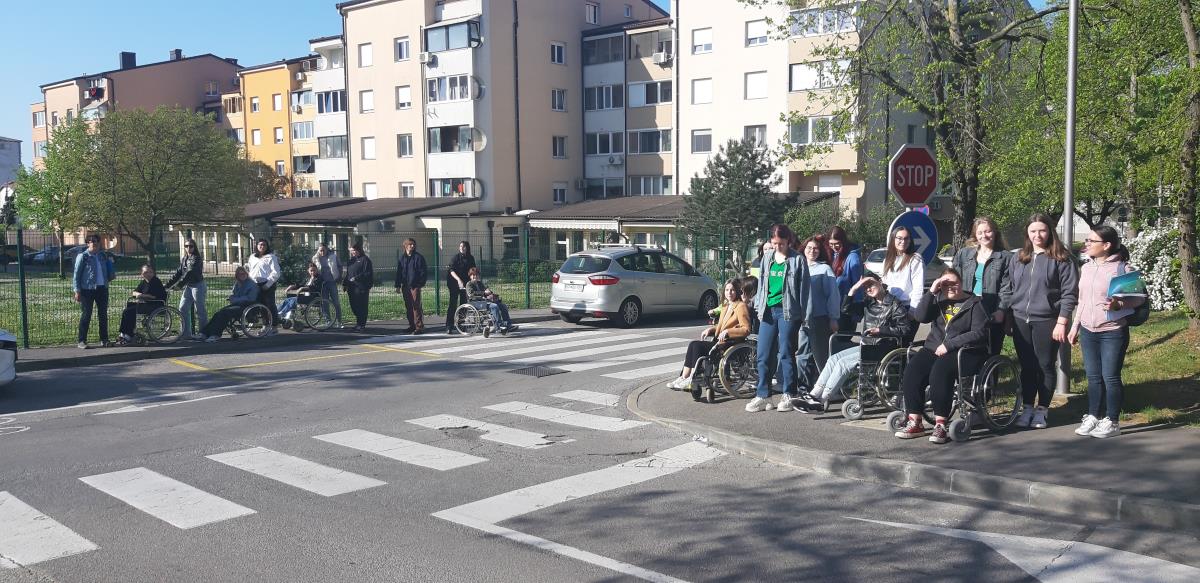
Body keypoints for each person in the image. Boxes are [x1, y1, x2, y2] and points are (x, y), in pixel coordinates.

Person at [895, 268, 989, 443]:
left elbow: (979, 333)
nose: (950, 287)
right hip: (934, 348)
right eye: (945, 284)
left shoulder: (974, 304)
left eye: (954, 283)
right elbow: (920, 316)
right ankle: (915, 421)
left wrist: (949, 344)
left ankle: (940, 425)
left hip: (964, 351)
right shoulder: (938, 299)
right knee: (913, 371)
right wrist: (931, 292)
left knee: (940, 372)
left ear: (961, 283)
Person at [797, 276, 914, 413]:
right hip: (867, 346)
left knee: (843, 364)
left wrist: (881, 330)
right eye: (865, 287)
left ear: (880, 282)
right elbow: (846, 309)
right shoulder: (869, 303)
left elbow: (905, 329)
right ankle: (814, 395)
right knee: (834, 358)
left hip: (883, 347)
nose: (868, 289)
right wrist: (853, 289)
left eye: (871, 284)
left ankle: (821, 401)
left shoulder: (895, 304)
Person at [1068, 226, 1141, 439]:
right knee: (1093, 377)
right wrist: (1075, 326)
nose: (1087, 244)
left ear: (1106, 245)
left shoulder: (1122, 268)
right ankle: (1093, 416)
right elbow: (1082, 300)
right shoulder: (1086, 268)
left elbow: (1138, 299)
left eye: (1092, 241)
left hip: (1113, 331)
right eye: (1087, 240)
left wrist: (1119, 304)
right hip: (1088, 330)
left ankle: (1112, 420)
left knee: (1110, 376)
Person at [1009, 213, 1079, 429]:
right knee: (1027, 366)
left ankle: (1042, 410)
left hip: (1048, 320)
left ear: (1050, 232)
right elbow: (1011, 287)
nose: (1037, 235)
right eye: (1033, 231)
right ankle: (1027, 407)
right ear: (1027, 233)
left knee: (1045, 365)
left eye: (1042, 230)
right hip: (1020, 318)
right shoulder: (1019, 257)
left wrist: (1062, 321)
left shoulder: (1062, 258)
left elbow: (1069, 293)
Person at [747, 224, 810, 413]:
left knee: (786, 353)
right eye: (774, 243)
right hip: (768, 311)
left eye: (781, 243)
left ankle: (789, 393)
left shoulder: (798, 260)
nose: (777, 247)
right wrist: (758, 306)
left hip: (788, 312)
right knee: (763, 354)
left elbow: (805, 290)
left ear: (788, 241)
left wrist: (805, 316)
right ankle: (763, 395)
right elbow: (762, 285)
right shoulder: (767, 258)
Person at [667, 279, 751, 394]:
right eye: (727, 290)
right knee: (693, 344)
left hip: (730, 343)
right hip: (720, 341)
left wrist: (729, 332)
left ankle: (692, 378)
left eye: (732, 290)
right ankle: (684, 377)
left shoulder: (741, 306)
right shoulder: (726, 306)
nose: (729, 293)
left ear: (737, 291)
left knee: (697, 346)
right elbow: (721, 326)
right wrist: (711, 329)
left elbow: (746, 329)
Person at [952, 217, 1011, 356]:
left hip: (990, 312)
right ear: (975, 235)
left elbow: (1007, 288)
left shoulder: (1006, 257)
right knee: (964, 352)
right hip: (967, 311)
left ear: (995, 232)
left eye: (988, 231)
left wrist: (1001, 310)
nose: (984, 235)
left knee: (990, 353)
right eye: (980, 232)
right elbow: (954, 280)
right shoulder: (964, 254)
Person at [799, 235, 841, 383]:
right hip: (800, 319)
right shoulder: (798, 267)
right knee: (802, 354)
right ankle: (803, 385)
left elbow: (833, 295)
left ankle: (826, 385)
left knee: (821, 355)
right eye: (809, 247)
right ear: (804, 249)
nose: (812, 251)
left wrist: (834, 317)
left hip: (819, 318)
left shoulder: (824, 269)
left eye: (816, 248)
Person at [72, 234, 116, 349]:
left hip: (102, 288)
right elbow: (76, 275)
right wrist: (77, 291)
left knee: (103, 315)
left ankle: (104, 339)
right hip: (87, 290)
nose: (94, 243)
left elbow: (107, 270)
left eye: (96, 241)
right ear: (87, 243)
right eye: (91, 241)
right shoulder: (83, 256)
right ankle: (82, 341)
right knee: (86, 315)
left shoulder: (102, 256)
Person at [201, 266, 259, 342]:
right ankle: (204, 333)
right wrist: (232, 297)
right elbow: (234, 294)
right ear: (237, 275)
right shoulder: (237, 284)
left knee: (225, 313)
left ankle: (215, 334)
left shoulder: (252, 284)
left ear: (247, 274)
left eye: (243, 273)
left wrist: (235, 300)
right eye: (240, 274)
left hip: (247, 306)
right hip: (237, 304)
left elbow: (251, 298)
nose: (242, 275)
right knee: (218, 313)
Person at [164, 238, 207, 341]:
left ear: (194, 247)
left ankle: (204, 333)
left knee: (200, 310)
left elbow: (190, 273)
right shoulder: (185, 258)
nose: (188, 248)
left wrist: (180, 285)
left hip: (198, 286)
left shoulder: (196, 259)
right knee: (182, 308)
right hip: (189, 286)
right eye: (186, 246)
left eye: (191, 246)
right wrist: (167, 286)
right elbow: (178, 273)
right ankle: (185, 333)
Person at [880, 226, 925, 317]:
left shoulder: (915, 259)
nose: (903, 241)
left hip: (907, 307)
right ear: (893, 239)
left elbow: (918, 288)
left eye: (906, 238)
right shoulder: (887, 260)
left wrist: (913, 311)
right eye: (899, 238)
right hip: (890, 307)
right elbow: (885, 284)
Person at [116, 265, 167, 345]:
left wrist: (143, 296)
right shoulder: (144, 282)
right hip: (146, 304)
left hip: (156, 305)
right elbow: (134, 292)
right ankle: (124, 333)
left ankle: (128, 335)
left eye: (150, 272)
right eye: (146, 272)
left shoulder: (156, 282)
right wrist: (139, 294)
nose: (148, 274)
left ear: (153, 273)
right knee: (129, 306)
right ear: (142, 274)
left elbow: (155, 296)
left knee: (128, 311)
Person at [828, 226, 863, 332]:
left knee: (841, 339)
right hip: (830, 309)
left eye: (837, 243)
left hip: (845, 310)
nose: (834, 247)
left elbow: (858, 286)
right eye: (831, 244)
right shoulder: (831, 255)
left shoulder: (853, 259)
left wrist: (856, 313)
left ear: (843, 241)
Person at [465, 267, 516, 333]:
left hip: (484, 302)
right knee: (494, 306)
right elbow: (471, 294)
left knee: (503, 306)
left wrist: (489, 291)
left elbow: (486, 290)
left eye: (476, 275)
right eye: (473, 275)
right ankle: (499, 326)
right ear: (470, 276)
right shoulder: (469, 284)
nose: (475, 276)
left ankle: (508, 325)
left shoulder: (480, 283)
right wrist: (484, 293)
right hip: (476, 302)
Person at [248, 239, 281, 336]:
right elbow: (250, 270)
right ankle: (265, 325)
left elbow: (276, 272)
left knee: (269, 305)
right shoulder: (252, 257)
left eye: (264, 245)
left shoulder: (271, 257)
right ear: (257, 246)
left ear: (267, 247)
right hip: (254, 284)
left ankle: (274, 327)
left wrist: (268, 285)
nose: (262, 246)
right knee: (260, 306)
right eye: (260, 244)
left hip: (267, 284)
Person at [395, 238, 428, 334]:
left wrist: (420, 284)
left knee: (416, 307)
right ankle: (412, 325)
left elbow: (423, 272)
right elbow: (399, 273)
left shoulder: (418, 257)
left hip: (415, 286)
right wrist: (397, 285)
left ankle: (419, 327)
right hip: (405, 286)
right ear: (405, 245)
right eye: (410, 244)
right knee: (408, 306)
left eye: (413, 244)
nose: (412, 246)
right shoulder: (402, 258)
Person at [277, 262, 322, 329]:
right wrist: (293, 286)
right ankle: (276, 311)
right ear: (308, 271)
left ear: (317, 270)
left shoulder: (318, 278)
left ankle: (282, 313)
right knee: (288, 299)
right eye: (311, 271)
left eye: (314, 270)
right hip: (306, 295)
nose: (312, 272)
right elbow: (301, 285)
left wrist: (303, 288)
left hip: (313, 296)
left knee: (294, 299)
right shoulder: (308, 278)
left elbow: (315, 288)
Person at [445, 241, 476, 334]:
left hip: (465, 284)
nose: (462, 248)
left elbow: (472, 270)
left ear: (467, 248)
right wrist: (458, 280)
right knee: (453, 304)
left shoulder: (470, 258)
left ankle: (461, 324)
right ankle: (449, 325)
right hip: (454, 283)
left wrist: (473, 280)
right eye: (461, 246)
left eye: (464, 246)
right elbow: (451, 270)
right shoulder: (455, 258)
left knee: (463, 304)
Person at [344, 242, 374, 331]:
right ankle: (358, 323)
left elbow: (367, 273)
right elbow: (348, 274)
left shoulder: (365, 260)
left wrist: (356, 278)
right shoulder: (351, 261)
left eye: (354, 250)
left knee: (362, 306)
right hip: (351, 288)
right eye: (351, 250)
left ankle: (361, 325)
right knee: (354, 306)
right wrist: (345, 284)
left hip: (361, 287)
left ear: (358, 250)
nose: (352, 252)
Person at [312, 243, 343, 328]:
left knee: (335, 302)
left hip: (332, 282)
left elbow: (340, 266)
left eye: (323, 250)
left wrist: (339, 276)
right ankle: (328, 321)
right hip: (322, 283)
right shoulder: (315, 258)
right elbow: (312, 269)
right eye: (320, 250)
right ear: (318, 250)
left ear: (327, 249)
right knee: (324, 302)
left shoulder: (333, 256)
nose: (322, 252)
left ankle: (339, 321)